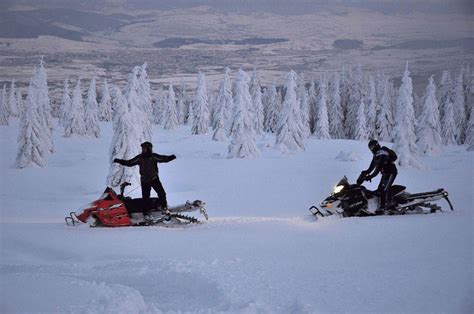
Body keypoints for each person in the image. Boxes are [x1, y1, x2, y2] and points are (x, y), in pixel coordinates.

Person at [113, 142, 176, 211]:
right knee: (145, 198)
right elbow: (130, 163)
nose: (143, 150)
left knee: (162, 193)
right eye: (142, 148)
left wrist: (172, 157)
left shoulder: (153, 156)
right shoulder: (140, 158)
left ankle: (164, 208)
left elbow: (163, 159)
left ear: (149, 149)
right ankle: (146, 213)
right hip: (144, 181)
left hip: (154, 179)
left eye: (144, 148)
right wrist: (119, 161)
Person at [357, 139, 398, 213]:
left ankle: (384, 208)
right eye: (370, 148)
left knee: (384, 190)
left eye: (372, 147)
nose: (371, 149)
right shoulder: (376, 155)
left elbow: (378, 168)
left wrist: (371, 176)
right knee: (379, 191)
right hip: (385, 174)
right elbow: (371, 167)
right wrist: (364, 173)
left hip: (391, 172)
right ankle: (382, 205)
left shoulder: (382, 152)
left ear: (376, 145)